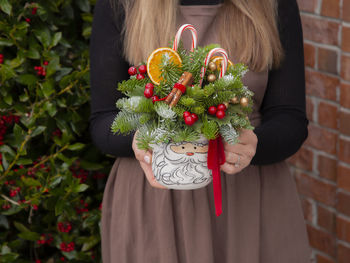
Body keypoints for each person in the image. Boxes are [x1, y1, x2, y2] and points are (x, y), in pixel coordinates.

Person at [89, 0, 311, 262]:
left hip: (250, 202)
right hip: (154, 202)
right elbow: (104, 120)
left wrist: (253, 145)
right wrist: (140, 141)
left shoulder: (272, 4)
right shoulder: (122, 5)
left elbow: (290, 118)